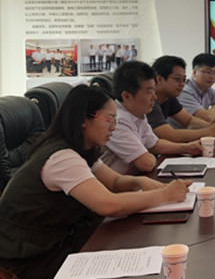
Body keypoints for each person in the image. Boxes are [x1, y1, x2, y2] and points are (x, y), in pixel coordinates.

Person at [0, 85, 192, 279]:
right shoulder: (61, 157)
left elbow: (114, 181)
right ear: (84, 119)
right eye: (110, 119)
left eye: (116, 120)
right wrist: (164, 194)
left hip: (59, 242)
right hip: (30, 260)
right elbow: (109, 205)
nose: (114, 127)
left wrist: (139, 182)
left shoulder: (81, 149)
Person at [100, 61, 203, 174]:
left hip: (134, 178)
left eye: (154, 90)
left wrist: (187, 148)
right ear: (127, 96)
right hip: (117, 183)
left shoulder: (138, 114)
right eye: (149, 92)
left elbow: (155, 144)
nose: (155, 97)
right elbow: (146, 164)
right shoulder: (117, 121)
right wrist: (150, 154)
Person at [147, 55, 215, 142]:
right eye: (177, 79)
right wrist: (210, 131)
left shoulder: (169, 98)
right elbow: (170, 135)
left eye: (183, 80)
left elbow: (188, 121)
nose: (182, 84)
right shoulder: (149, 101)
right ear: (160, 79)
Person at [178, 53, 215, 122]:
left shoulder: (209, 90)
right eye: (207, 72)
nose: (212, 76)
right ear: (195, 72)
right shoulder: (184, 92)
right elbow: (207, 117)